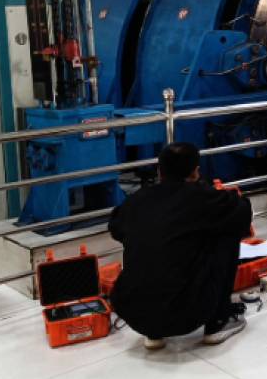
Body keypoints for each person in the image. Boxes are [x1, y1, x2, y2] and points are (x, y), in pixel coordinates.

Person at [108, 142, 252, 350]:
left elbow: (116, 228)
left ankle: (154, 333)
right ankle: (219, 322)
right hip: (188, 313)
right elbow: (243, 211)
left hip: (132, 312)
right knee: (227, 230)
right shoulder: (201, 198)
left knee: (149, 242)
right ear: (195, 172)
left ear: (160, 171)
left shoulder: (136, 201)